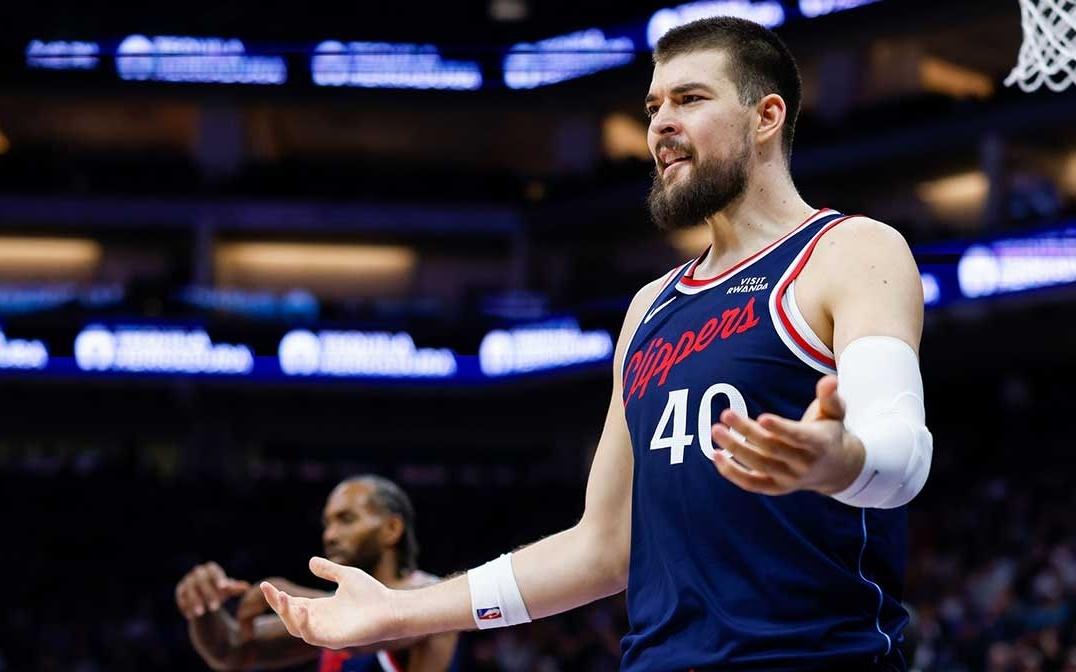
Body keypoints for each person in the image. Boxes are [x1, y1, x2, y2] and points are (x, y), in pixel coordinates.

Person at [258, 16, 932, 671]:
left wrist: (840, 462)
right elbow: (601, 548)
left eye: (690, 99)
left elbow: (901, 453)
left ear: (766, 117)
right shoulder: (649, 309)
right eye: (653, 107)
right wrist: (401, 612)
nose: (660, 124)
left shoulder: (849, 250)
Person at [175, 475, 459, 671]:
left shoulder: (431, 596)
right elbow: (231, 650)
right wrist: (203, 607)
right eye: (327, 524)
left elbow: (374, 624)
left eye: (346, 519)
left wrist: (286, 593)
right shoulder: (328, 609)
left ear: (392, 529)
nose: (330, 535)